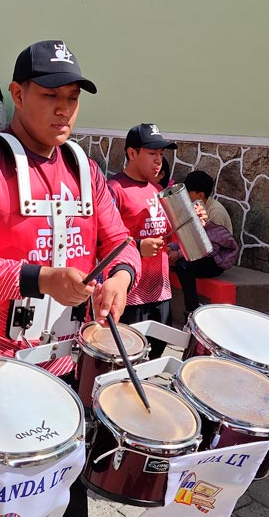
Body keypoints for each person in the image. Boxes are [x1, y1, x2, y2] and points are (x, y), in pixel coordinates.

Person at [0, 40, 140, 516]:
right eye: (51, 96)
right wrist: (40, 278)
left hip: (67, 366)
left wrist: (122, 277)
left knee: (65, 498)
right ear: (17, 93)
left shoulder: (85, 168)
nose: (64, 109)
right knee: (2, 499)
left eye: (72, 97)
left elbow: (120, 242)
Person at [109, 123, 192, 360]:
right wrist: (136, 246)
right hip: (128, 292)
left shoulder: (159, 191)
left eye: (161, 155)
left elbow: (175, 235)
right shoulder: (114, 189)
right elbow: (101, 241)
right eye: (152, 153)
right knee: (123, 360)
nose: (158, 161)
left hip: (160, 292)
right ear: (132, 153)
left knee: (154, 357)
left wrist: (194, 220)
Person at [171, 169, 239, 314]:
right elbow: (188, 235)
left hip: (215, 259)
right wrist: (172, 248)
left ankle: (192, 309)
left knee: (184, 266)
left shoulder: (215, 213)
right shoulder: (195, 207)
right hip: (199, 253)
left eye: (188, 192)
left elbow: (210, 248)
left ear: (200, 195)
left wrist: (179, 254)